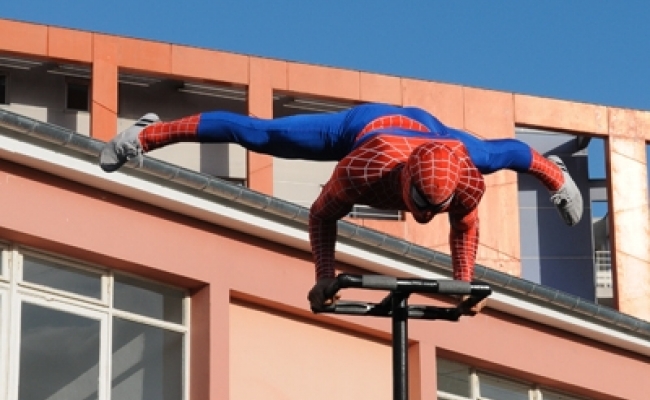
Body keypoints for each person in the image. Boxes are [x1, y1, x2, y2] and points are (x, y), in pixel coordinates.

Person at [100, 103, 583, 312]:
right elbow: (321, 214)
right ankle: (147, 133)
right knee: (259, 134)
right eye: (420, 204)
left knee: (506, 157)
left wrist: (463, 283)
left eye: (433, 208)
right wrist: (324, 276)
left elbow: (475, 215)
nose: (424, 216)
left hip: (439, 136)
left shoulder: (468, 175)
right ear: (406, 182)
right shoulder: (365, 169)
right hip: (368, 127)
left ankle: (559, 174)